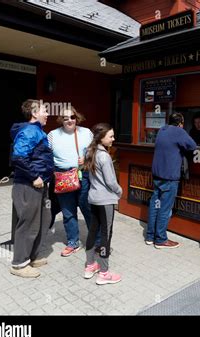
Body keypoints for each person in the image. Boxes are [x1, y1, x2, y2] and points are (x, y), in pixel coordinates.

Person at [10, 99, 54, 278]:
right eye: (45, 110)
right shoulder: (30, 131)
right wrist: (34, 176)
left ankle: (31, 257)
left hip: (39, 185)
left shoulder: (38, 131)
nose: (47, 114)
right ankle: (19, 264)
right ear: (34, 113)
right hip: (29, 185)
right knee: (28, 224)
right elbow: (19, 157)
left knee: (43, 220)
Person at [48, 106, 95, 257]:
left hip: (82, 174)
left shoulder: (86, 132)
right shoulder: (52, 135)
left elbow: (96, 151)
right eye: (65, 118)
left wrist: (87, 158)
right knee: (68, 211)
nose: (69, 120)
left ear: (77, 117)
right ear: (61, 120)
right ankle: (73, 242)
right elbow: (46, 156)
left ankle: (97, 239)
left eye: (72, 117)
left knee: (87, 207)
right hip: (62, 176)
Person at [146, 112, 197, 249]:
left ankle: (150, 236)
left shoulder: (162, 130)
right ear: (180, 122)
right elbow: (193, 146)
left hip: (157, 176)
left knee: (155, 205)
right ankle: (161, 239)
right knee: (164, 208)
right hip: (169, 177)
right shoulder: (179, 132)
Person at [83, 123, 122, 285]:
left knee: (93, 231)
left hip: (93, 198)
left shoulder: (89, 152)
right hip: (105, 200)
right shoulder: (104, 156)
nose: (113, 139)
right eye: (111, 136)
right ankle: (104, 273)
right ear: (101, 138)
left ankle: (90, 265)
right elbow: (111, 181)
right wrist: (119, 191)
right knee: (106, 235)